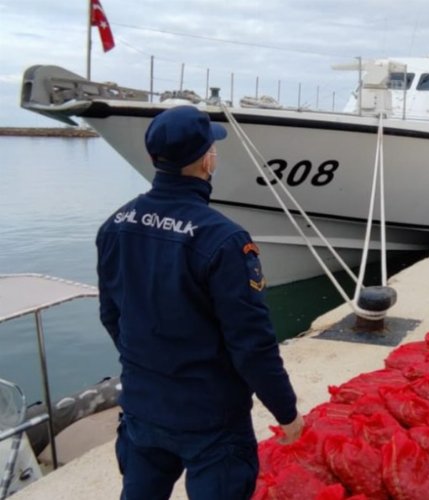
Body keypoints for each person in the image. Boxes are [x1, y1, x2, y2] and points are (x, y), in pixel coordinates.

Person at [96, 105, 303, 500]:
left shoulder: (115, 225)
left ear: (155, 157)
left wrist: (149, 370)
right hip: (212, 423)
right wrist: (286, 412)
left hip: (143, 408)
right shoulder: (223, 240)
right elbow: (252, 344)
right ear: (208, 159)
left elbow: (112, 315)